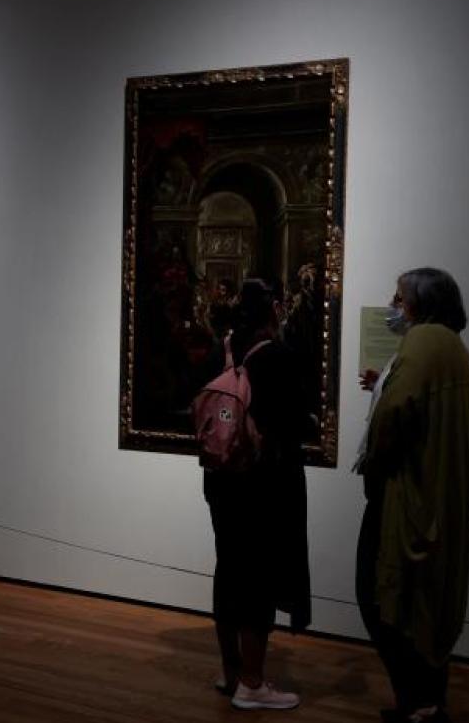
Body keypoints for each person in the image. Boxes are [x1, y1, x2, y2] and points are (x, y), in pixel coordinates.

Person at [356, 268, 469, 723]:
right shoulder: (453, 346)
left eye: (398, 296)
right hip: (437, 497)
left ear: (421, 303)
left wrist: (375, 461)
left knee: (377, 595)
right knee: (427, 603)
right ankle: (428, 701)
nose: (392, 304)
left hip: (407, 498)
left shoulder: (422, 343)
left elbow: (394, 418)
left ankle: (416, 701)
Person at [203, 279, 311, 711]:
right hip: (264, 483)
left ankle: (231, 672)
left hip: (222, 478)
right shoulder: (279, 358)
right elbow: (296, 421)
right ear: (272, 313)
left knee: (229, 569)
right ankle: (252, 682)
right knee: (258, 579)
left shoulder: (222, 352)